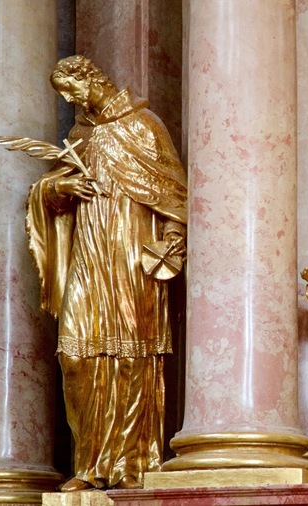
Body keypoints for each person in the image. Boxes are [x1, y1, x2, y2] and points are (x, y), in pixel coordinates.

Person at [27, 55, 186, 491]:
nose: (69, 100)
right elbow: (48, 193)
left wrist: (173, 236)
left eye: (70, 90)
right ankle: (88, 463)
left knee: (131, 358)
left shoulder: (144, 125)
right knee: (75, 356)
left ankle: (131, 464)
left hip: (132, 255)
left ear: (90, 79)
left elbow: (173, 193)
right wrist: (60, 186)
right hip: (88, 253)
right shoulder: (81, 135)